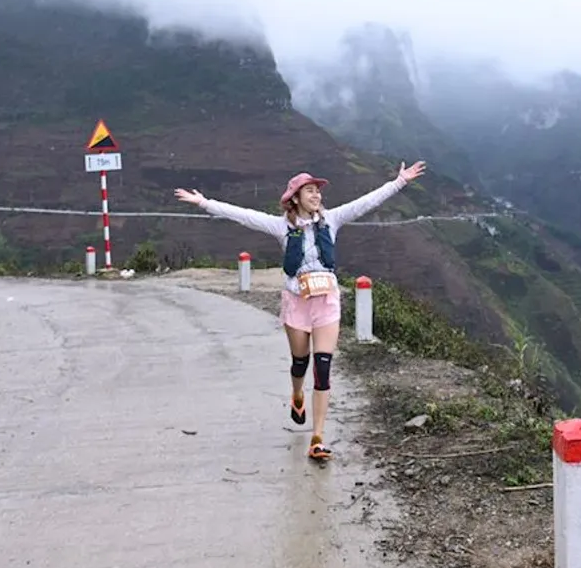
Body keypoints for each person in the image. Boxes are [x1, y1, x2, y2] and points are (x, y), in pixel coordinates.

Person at [174, 161, 426, 461]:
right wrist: (204, 203)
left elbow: (366, 203)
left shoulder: (331, 220)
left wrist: (399, 182)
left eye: (317, 191)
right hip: (297, 303)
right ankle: (297, 395)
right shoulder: (283, 227)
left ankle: (317, 438)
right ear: (295, 197)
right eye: (310, 191)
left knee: (323, 368)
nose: (316, 195)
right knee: (300, 361)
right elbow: (244, 216)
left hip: (327, 303)